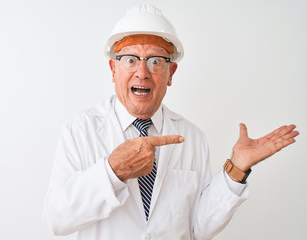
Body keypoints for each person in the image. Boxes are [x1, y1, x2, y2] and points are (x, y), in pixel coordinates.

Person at [43, 5, 299, 240]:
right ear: (113, 69)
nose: (142, 72)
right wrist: (113, 171)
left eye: (155, 61)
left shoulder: (192, 137)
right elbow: (56, 219)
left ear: (171, 73)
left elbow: (198, 228)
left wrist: (238, 168)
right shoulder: (80, 130)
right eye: (130, 59)